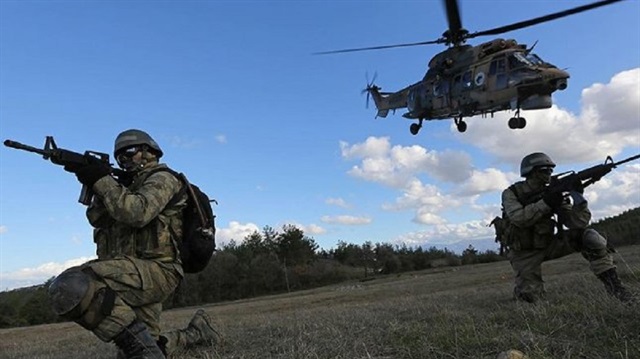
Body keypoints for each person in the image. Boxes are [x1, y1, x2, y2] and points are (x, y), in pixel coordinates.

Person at [47, 129, 220, 358]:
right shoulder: (123, 188)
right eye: (119, 156)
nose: (125, 159)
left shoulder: (163, 178)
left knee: (72, 284)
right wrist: (97, 182)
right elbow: (97, 218)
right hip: (134, 273)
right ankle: (197, 333)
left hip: (158, 271)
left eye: (129, 152)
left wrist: (102, 179)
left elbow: (137, 212)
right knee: (148, 345)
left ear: (149, 151)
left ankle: (146, 352)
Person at [501, 152, 633, 303]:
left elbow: (576, 223)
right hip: (523, 253)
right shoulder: (512, 193)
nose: (548, 174)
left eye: (550, 170)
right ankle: (523, 292)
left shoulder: (553, 192)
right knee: (530, 299)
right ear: (530, 172)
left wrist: (579, 199)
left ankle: (617, 290)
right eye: (544, 170)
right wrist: (546, 203)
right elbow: (519, 218)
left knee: (590, 237)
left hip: (548, 244)